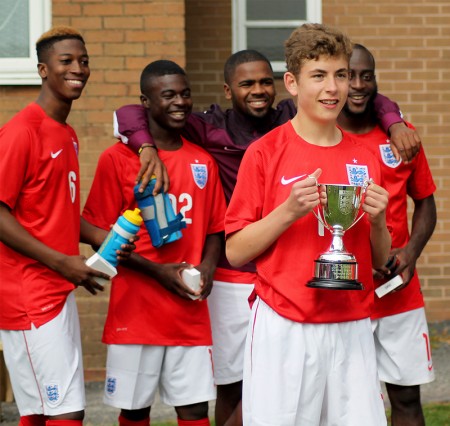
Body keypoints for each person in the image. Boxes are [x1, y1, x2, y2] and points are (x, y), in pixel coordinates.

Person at [113, 50, 420, 426]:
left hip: (347, 311)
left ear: (280, 87)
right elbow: (136, 110)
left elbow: (361, 94)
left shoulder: (323, 131)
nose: (335, 86)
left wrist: (392, 123)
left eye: (263, 82)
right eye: (246, 84)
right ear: (229, 90)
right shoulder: (218, 130)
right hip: (259, 291)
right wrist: (146, 146)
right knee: (234, 388)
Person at [224, 23, 392, 425]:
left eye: (340, 74)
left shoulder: (365, 157)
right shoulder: (265, 153)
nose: (333, 88)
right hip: (285, 321)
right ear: (292, 83)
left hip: (351, 322)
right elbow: (234, 250)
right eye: (318, 76)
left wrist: (380, 221)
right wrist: (287, 212)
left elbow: (379, 260)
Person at [81, 60, 227, 426]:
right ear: (145, 102)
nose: (180, 102)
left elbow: (215, 228)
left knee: (194, 411)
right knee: (134, 411)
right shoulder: (117, 159)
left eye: (185, 93)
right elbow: (89, 228)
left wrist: (208, 269)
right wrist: (156, 271)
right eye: (168, 95)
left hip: (189, 313)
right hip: (136, 311)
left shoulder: (202, 161)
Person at [0, 27, 113, 426]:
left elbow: (53, 211)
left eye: (83, 61)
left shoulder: (65, 133)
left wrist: (101, 236)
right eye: (66, 61)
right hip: (29, 295)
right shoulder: (21, 131)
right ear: (42, 70)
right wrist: (61, 262)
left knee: (38, 413)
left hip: (56, 290)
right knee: (65, 411)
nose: (78, 69)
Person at [338, 44, 436, 426]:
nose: (359, 85)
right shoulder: (321, 136)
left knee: (407, 400)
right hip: (344, 295)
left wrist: (410, 252)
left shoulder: (402, 137)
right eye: (350, 76)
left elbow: (426, 203)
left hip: (398, 293)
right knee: (347, 404)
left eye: (367, 75)